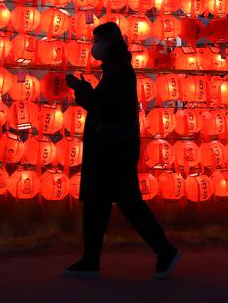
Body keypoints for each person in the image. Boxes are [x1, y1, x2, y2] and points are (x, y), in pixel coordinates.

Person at [62, 21, 180, 279]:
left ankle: (164, 250)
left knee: (127, 202)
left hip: (114, 148)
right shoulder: (115, 69)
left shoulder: (119, 72)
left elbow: (103, 106)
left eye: (97, 42)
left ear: (109, 43)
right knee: (98, 203)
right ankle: (90, 260)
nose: (94, 47)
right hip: (110, 145)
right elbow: (103, 104)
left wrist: (80, 88)